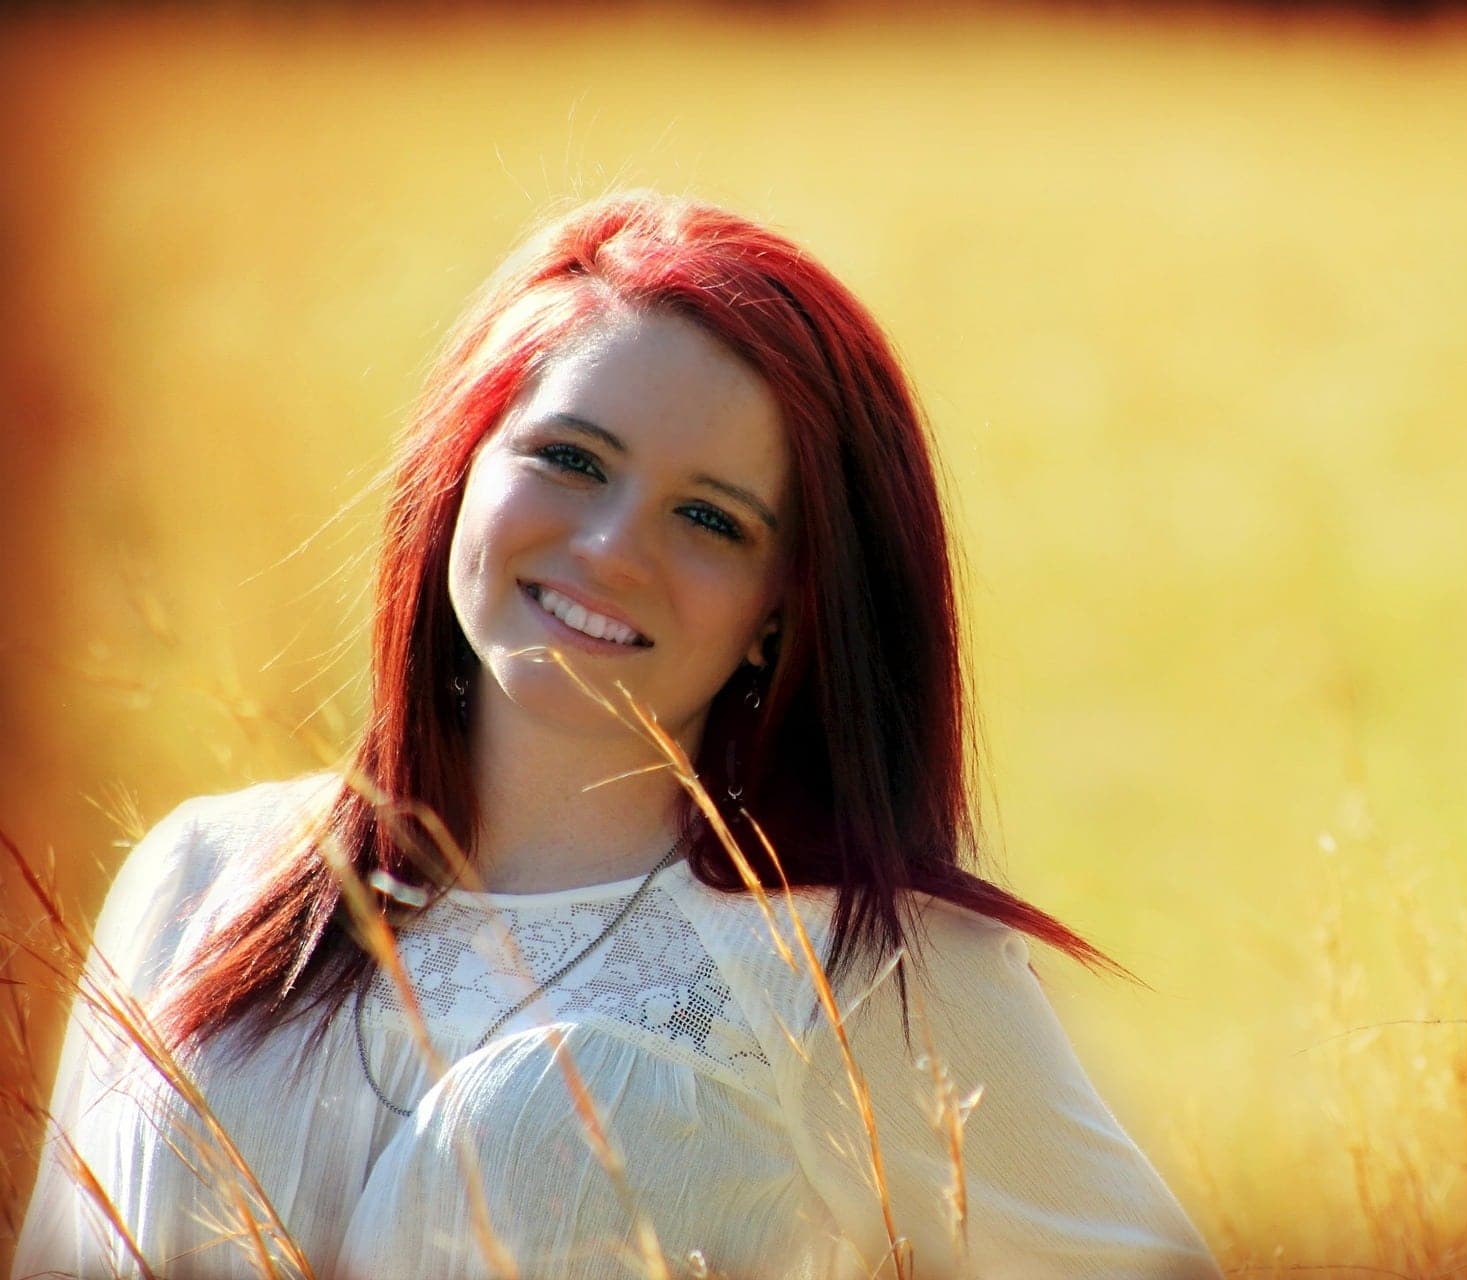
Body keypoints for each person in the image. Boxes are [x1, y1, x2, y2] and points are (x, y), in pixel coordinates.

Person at [12, 191, 1222, 1279]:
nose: (610, 548)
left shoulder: (858, 965)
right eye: (570, 458)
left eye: (709, 516)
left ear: (779, 613)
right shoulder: (201, 874)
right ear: (460, 471)